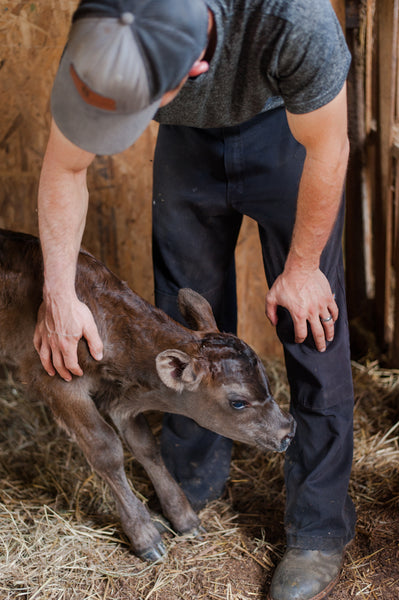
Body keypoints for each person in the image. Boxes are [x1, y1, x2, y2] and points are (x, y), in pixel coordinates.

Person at [33, 0, 356, 598]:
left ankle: (317, 526)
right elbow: (65, 167)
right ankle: (192, 481)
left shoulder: (294, 21)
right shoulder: (104, 25)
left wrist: (305, 266)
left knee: (311, 326)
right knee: (180, 330)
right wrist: (57, 292)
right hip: (187, 143)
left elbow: (329, 149)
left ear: (197, 67)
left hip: (287, 131)